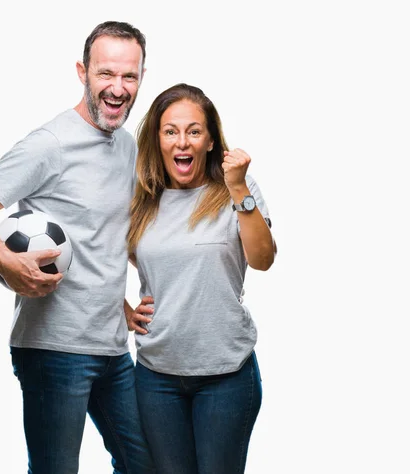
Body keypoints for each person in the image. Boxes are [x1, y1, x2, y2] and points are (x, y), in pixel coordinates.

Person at [0, 21, 156, 474]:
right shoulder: (50, 144)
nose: (117, 88)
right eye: (106, 74)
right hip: (53, 350)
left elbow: (99, 236)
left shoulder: (126, 147)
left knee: (148, 463)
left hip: (113, 350)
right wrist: (7, 261)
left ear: (141, 78)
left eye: (129, 76)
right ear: (83, 72)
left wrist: (117, 305)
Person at [126, 83, 276, 474]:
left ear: (210, 140)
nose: (182, 142)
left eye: (194, 131)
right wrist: (121, 309)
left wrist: (239, 187)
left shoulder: (234, 192)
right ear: (157, 139)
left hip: (226, 377)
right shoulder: (142, 200)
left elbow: (262, 259)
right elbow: (101, 261)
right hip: (157, 376)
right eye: (171, 131)